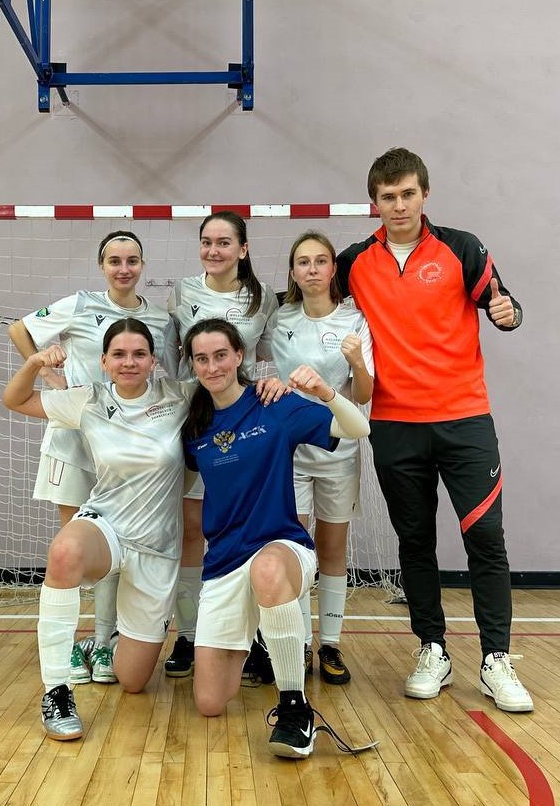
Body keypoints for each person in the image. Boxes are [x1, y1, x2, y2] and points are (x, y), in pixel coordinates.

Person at [335, 147, 533, 713]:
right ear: (374, 203)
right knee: (415, 541)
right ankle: (432, 649)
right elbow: (311, 302)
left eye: (408, 194)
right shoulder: (354, 262)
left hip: (465, 420)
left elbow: (504, 302)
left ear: (424, 194)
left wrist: (510, 314)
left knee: (485, 538)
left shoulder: (462, 248)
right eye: (388, 197)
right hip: (395, 425)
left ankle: (496, 659)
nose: (399, 205)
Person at [181, 318, 376, 759]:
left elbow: (357, 430)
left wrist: (325, 392)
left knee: (268, 571)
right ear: (192, 365)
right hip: (224, 563)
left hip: (282, 548)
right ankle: (258, 634)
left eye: (221, 355)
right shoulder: (194, 426)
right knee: (209, 701)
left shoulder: (274, 404)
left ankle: (294, 706)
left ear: (239, 356)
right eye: (202, 359)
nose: (213, 366)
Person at [2, 318, 191, 741]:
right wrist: (34, 364)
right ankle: (56, 692)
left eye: (139, 354)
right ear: (104, 361)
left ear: (154, 361)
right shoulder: (88, 399)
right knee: (64, 552)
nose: (129, 362)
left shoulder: (179, 395)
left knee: (133, 680)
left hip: (158, 549)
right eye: (119, 355)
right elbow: (15, 399)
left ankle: (108, 642)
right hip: (106, 527)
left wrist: (274, 386)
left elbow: (231, 389)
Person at [8, 231, 176, 687]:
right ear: (102, 266)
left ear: (143, 266)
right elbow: (19, 329)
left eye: (132, 260)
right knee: (77, 551)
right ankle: (70, 643)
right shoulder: (79, 304)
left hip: (127, 450)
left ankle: (104, 641)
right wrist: (46, 371)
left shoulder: (160, 319)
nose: (124, 268)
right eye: (114, 260)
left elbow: (171, 379)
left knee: (120, 543)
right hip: (74, 438)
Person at [163, 211, 279, 679]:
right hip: (193, 420)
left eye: (224, 242)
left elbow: (269, 359)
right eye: (206, 242)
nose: (213, 250)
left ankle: (256, 638)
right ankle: (189, 634)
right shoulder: (182, 292)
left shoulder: (263, 297)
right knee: (192, 530)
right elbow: (170, 359)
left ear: (243, 249)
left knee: (246, 527)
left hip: (241, 422)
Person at [268, 231, 374, 685]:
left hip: (339, 451)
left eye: (320, 261)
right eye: (303, 262)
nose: (311, 269)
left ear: (333, 269)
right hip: (291, 452)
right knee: (294, 547)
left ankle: (329, 643)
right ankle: (296, 642)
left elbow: (364, 395)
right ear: (292, 272)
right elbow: (243, 358)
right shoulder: (279, 319)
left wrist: (358, 363)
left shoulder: (355, 321)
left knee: (332, 548)